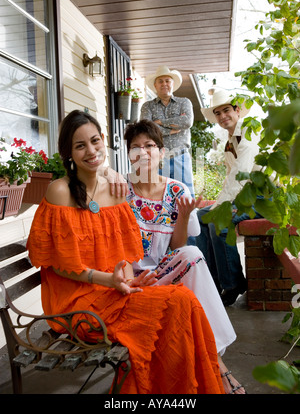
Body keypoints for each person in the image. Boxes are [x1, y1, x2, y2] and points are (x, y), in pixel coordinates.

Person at [26, 109, 224, 395]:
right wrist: (111, 282)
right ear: (68, 153)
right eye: (80, 146)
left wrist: (128, 281)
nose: (91, 151)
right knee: (171, 307)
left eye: (95, 141)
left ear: (104, 141)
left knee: (184, 299)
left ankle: (193, 387)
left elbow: (127, 255)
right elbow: (59, 266)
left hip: (112, 292)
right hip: (75, 300)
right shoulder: (60, 191)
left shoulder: (116, 191)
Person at [124, 119, 246, 395]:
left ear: (162, 152)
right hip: (131, 279)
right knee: (191, 258)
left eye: (149, 146)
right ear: (128, 154)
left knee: (191, 252)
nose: (142, 153)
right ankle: (221, 369)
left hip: (162, 271)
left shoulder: (177, 190)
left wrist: (185, 215)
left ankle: (215, 362)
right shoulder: (121, 191)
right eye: (135, 147)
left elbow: (176, 248)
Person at [196, 88, 261, 307]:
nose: (223, 116)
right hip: (243, 195)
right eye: (218, 113)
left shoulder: (248, 134)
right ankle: (212, 283)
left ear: (237, 110)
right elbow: (229, 177)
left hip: (261, 197)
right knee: (198, 217)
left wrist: (221, 206)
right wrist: (217, 203)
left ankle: (233, 283)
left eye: (226, 110)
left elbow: (241, 176)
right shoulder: (229, 141)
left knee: (218, 221)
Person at [141, 65, 195, 196]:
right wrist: (171, 130)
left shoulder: (184, 102)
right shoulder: (147, 106)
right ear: (155, 85)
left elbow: (187, 121)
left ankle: (189, 217)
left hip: (180, 156)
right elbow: (146, 128)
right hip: (158, 159)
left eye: (167, 81)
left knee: (185, 195)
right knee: (159, 196)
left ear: (173, 84)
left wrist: (160, 123)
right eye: (160, 81)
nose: (164, 84)